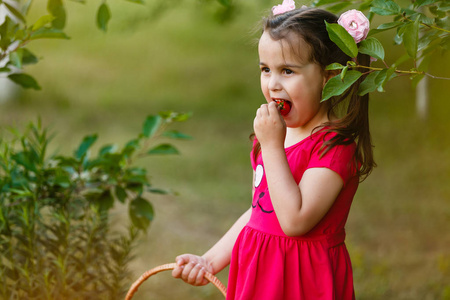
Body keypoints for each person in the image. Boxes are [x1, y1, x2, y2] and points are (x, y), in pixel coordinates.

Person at [172, 1, 376, 299]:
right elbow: (260, 211)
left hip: (303, 280)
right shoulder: (277, 136)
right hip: (261, 273)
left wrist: (271, 147)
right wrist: (210, 260)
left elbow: (294, 221)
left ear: (330, 76)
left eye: (287, 71)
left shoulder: (333, 146)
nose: (273, 84)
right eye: (266, 69)